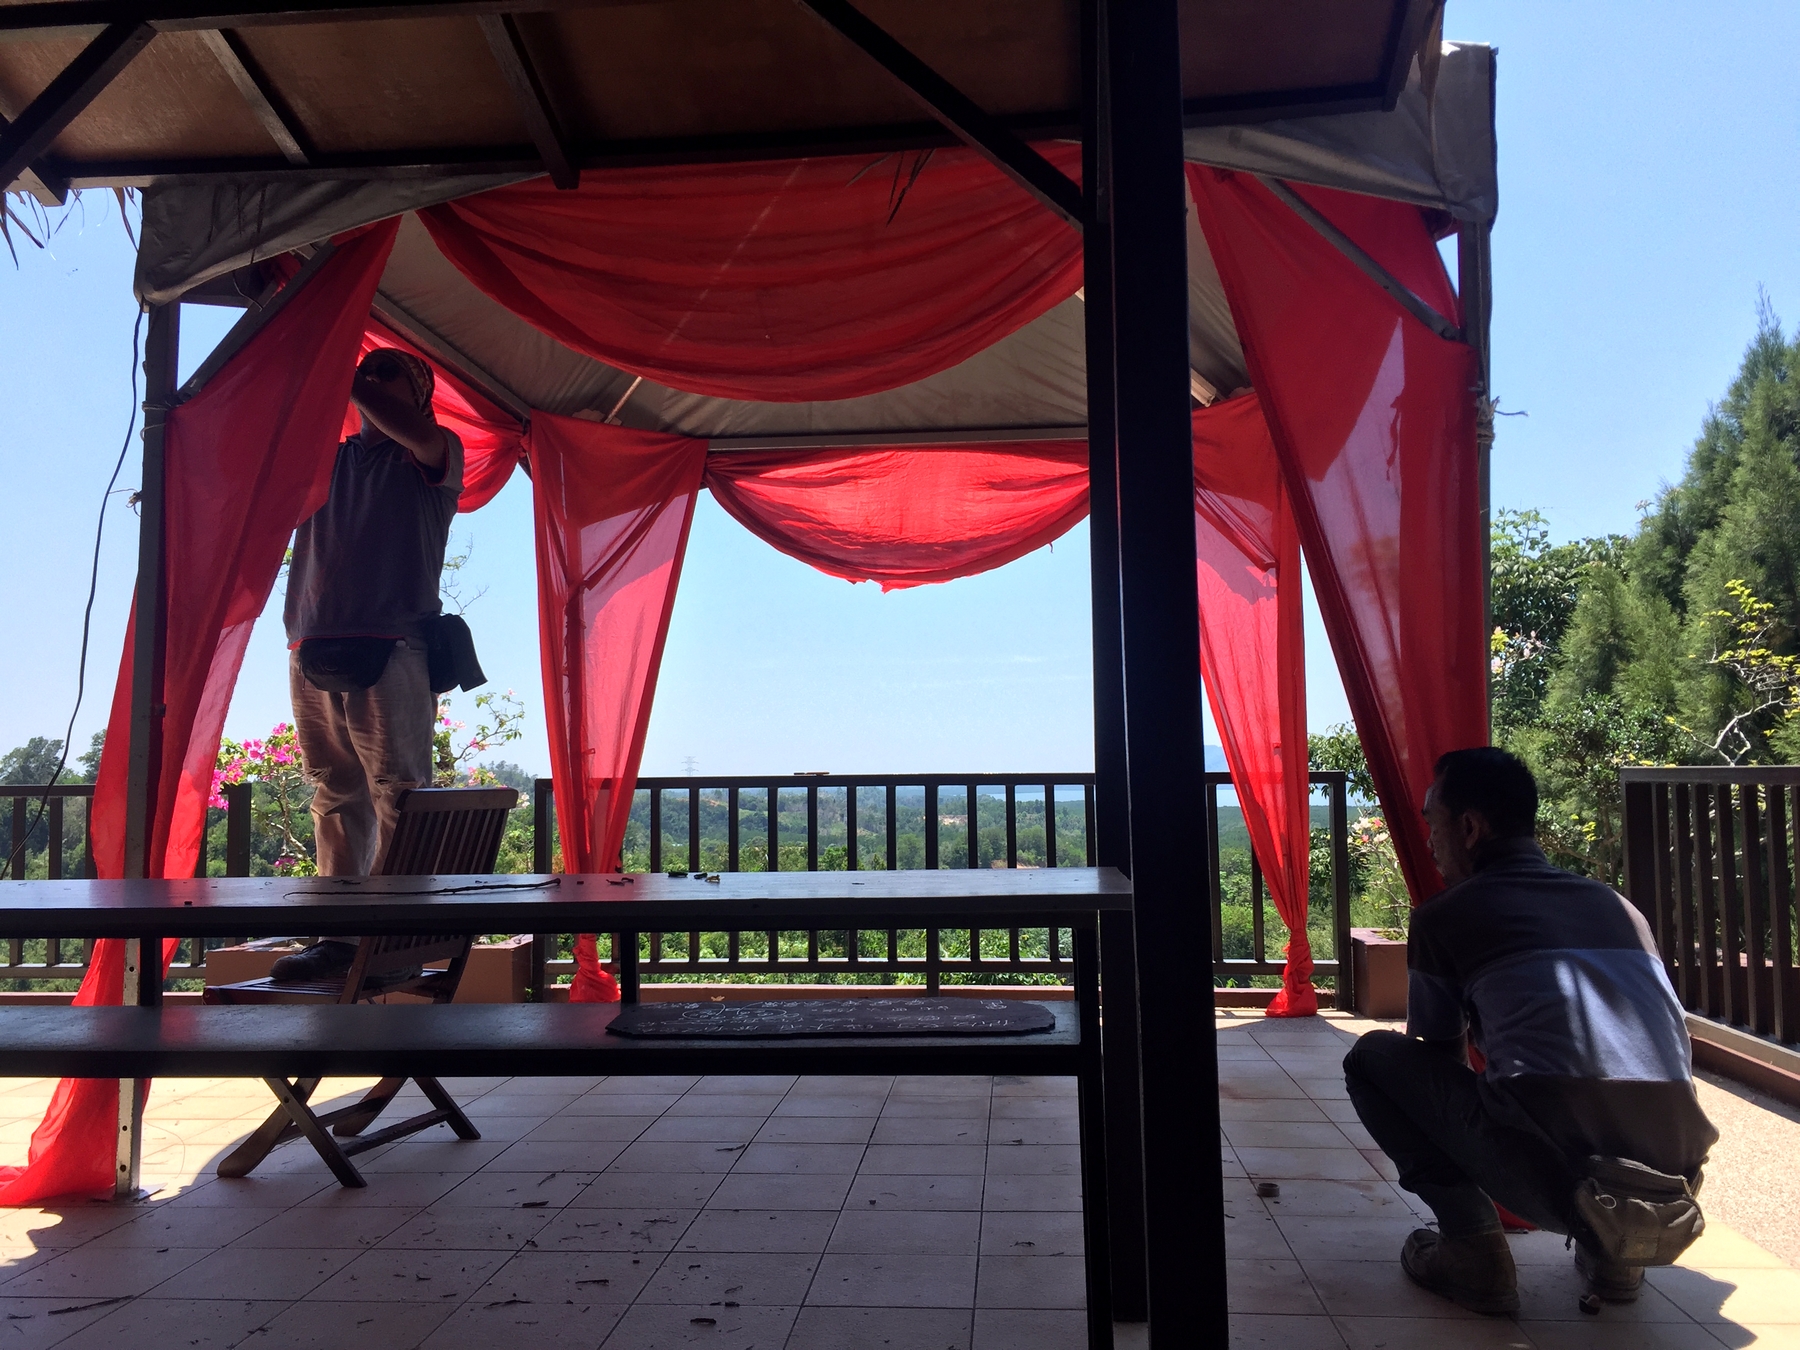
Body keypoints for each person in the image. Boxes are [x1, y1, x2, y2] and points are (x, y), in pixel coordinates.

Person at [1343, 747, 1716, 1315]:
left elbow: (1441, 1061)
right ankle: (1618, 1258)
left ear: (1469, 828)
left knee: (1374, 1058)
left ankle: (1473, 1251)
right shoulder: (1617, 907)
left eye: (1432, 822)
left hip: (1563, 1185)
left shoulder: (1447, 915)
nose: (1429, 842)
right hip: (1674, 1181)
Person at [269, 348, 464, 982]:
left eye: (387, 375)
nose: (371, 381)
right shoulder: (326, 461)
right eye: (367, 371)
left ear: (420, 396)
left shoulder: (435, 451)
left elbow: (403, 426)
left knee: (401, 794)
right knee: (335, 790)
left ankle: (393, 940)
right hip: (311, 643)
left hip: (394, 643)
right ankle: (339, 936)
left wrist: (342, 373)